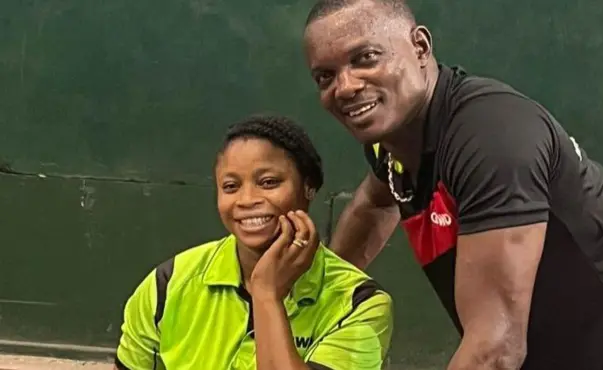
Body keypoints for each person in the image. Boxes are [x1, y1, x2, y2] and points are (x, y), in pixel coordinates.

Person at [302, 0, 603, 369]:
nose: (345, 87)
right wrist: (317, 295)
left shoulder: (489, 138)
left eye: (366, 58)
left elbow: (495, 351)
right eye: (325, 77)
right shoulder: (393, 137)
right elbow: (375, 203)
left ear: (420, 47)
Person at [113, 115, 393, 370]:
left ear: (309, 187)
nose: (247, 200)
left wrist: (266, 294)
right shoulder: (169, 284)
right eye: (231, 187)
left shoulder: (360, 305)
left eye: (269, 182)